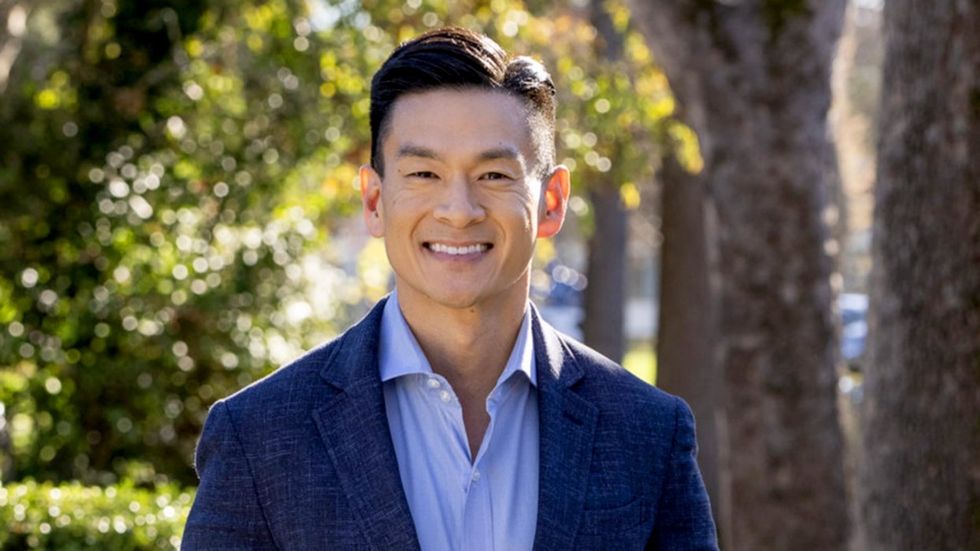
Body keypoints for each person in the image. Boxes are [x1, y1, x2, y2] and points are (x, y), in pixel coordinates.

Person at [182, 27, 717, 551]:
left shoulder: (648, 434)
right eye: (423, 174)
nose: (459, 211)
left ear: (551, 202)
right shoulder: (259, 437)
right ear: (374, 201)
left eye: (494, 176)